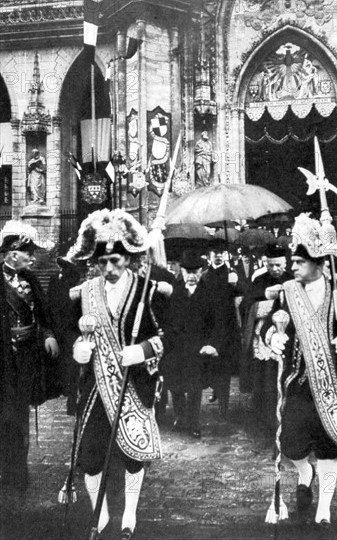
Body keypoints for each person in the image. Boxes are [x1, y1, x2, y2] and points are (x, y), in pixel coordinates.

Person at [262, 213, 337, 527]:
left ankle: (324, 507)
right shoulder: (286, 293)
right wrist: (274, 336)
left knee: (328, 449)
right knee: (292, 446)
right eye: (293, 261)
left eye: (299, 262)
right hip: (297, 385)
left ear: (319, 263)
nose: (293, 267)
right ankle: (304, 474)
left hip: (333, 386)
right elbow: (267, 326)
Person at [67, 209, 165, 539]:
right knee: (92, 457)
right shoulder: (83, 293)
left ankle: (130, 513)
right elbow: (71, 333)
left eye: (117, 261)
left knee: (132, 456)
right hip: (95, 387)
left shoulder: (148, 292)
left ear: (129, 258)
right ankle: (104, 513)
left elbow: (169, 336)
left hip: (134, 385)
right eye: (103, 261)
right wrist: (77, 349)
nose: (109, 269)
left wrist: (143, 350)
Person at [0, 220, 59, 491]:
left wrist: (47, 334)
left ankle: (17, 473)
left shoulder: (32, 280)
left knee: (19, 416)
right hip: (3, 360)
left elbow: (43, 315)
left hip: (24, 359)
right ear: (13, 252)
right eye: (28, 252)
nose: (33, 257)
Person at [240, 245, 292, 444]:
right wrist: (263, 302)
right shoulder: (259, 280)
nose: (275, 269)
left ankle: (286, 421)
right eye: (270, 265)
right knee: (264, 380)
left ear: (284, 264)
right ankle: (265, 421)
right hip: (262, 340)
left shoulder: (292, 280)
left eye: (278, 265)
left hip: (287, 337)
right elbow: (247, 305)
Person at [162, 249, 215, 438]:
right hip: (176, 347)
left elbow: (214, 322)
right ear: (181, 272)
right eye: (187, 272)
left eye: (195, 272)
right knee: (176, 385)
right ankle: (180, 416)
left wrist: (211, 344)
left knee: (194, 387)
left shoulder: (208, 294)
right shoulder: (173, 292)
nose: (191, 276)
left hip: (198, 348)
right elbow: (165, 320)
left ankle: (193, 422)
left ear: (201, 272)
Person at [202, 240, 242, 416]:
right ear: (210, 255)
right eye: (215, 252)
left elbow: (243, 295)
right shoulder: (204, 275)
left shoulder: (232, 273)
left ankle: (224, 404)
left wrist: (236, 285)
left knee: (224, 364)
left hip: (227, 325)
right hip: (209, 326)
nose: (218, 255)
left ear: (225, 255)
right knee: (211, 363)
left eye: (221, 252)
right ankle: (216, 391)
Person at [46, 257, 82, 416]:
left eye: (64, 267)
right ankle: (60, 387)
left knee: (72, 364)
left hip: (71, 329)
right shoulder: (55, 279)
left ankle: (71, 398)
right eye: (60, 266)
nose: (61, 269)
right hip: (57, 325)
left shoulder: (75, 282)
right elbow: (49, 302)